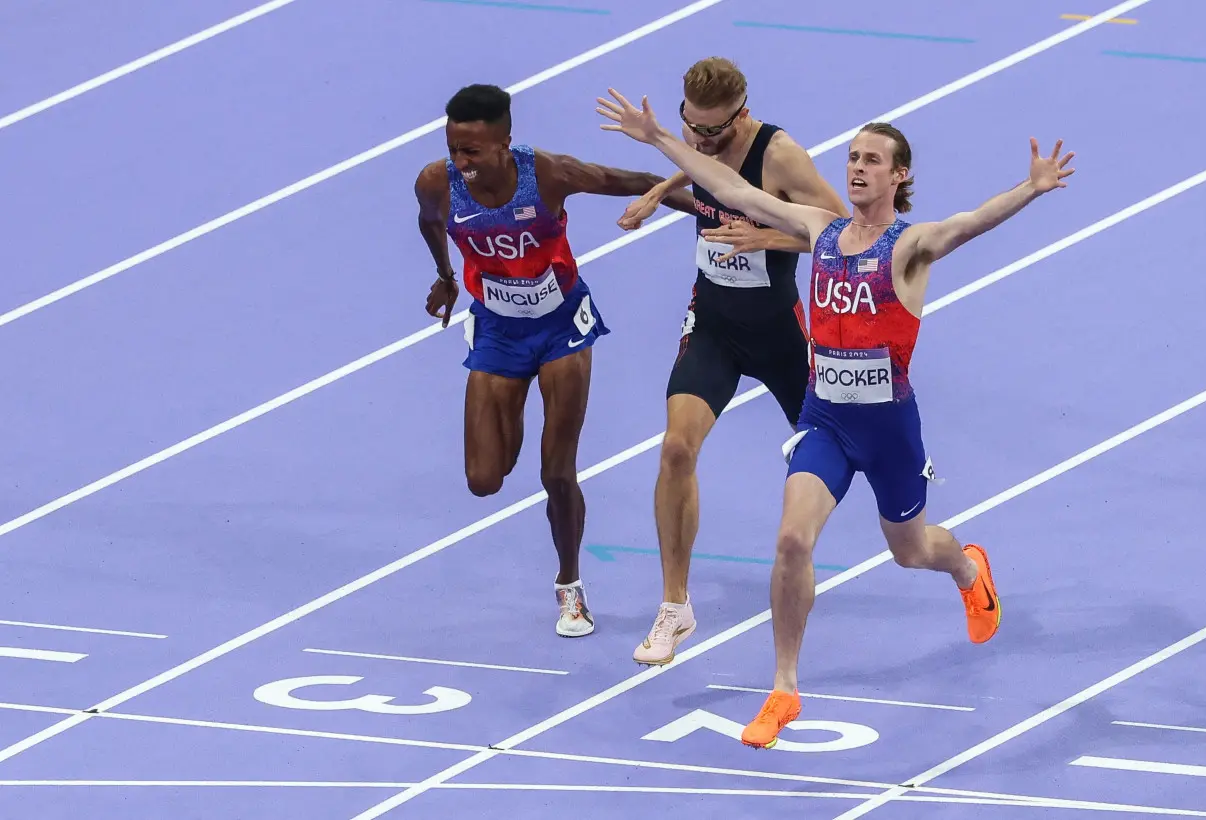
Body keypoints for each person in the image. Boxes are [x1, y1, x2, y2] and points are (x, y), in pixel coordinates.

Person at [597, 87, 1074, 746]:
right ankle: (784, 687)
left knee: (911, 550)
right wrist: (658, 140)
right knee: (792, 540)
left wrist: (1031, 188)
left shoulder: (911, 246)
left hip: (888, 430)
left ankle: (967, 568)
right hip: (825, 421)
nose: (856, 168)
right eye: (852, 157)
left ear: (899, 175)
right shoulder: (819, 230)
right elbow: (733, 190)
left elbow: (971, 221)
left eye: (872, 160)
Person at [416, 84, 695, 638]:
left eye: (472, 151)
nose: (460, 162)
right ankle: (512, 402)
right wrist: (448, 279)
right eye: (454, 149)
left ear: (505, 143)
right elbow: (429, 222)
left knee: (556, 471)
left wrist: (707, 207)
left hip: (561, 326)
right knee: (484, 479)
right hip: (496, 329)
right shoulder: (436, 183)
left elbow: (632, 183)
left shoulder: (547, 174)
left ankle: (570, 587)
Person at [612, 58, 849, 666]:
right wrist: (661, 190)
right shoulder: (696, 133)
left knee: (853, 454)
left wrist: (768, 237)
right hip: (714, 323)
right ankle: (674, 607)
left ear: (742, 114)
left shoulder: (780, 155)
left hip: (778, 333)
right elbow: (702, 171)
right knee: (675, 449)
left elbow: (846, 233)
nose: (702, 141)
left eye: (715, 134)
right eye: (692, 128)